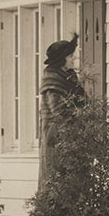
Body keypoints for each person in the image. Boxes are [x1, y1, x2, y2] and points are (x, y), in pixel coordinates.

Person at [38, 32, 84, 188]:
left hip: (72, 136)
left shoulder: (69, 77)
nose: (74, 59)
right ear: (62, 60)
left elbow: (82, 102)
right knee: (57, 179)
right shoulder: (52, 79)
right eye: (71, 56)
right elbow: (59, 112)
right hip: (56, 137)